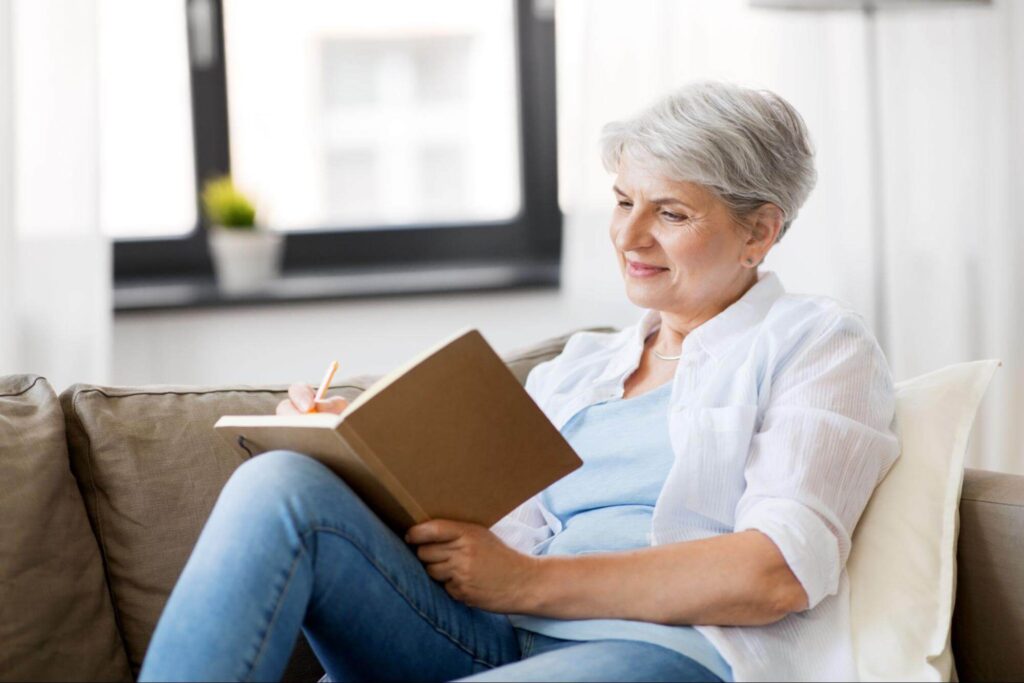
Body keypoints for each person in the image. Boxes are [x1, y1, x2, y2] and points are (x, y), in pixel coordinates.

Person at [140, 81, 899, 682]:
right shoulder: (580, 367)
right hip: (485, 634)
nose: (630, 237)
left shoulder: (815, 344)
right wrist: (357, 453)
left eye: (669, 212)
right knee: (280, 484)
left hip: (662, 653)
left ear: (760, 231)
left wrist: (526, 582)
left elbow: (775, 573)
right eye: (623, 200)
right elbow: (478, 540)